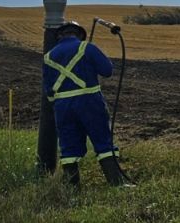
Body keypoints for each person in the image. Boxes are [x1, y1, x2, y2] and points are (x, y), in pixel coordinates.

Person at [43, 20, 134, 186]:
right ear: (79, 34)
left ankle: (72, 190)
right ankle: (117, 183)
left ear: (60, 36)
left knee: (68, 146)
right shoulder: (86, 47)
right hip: (89, 101)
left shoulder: (48, 56)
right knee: (102, 141)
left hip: (62, 106)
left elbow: (49, 90)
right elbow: (107, 71)